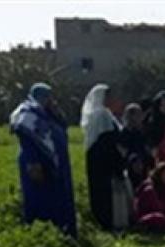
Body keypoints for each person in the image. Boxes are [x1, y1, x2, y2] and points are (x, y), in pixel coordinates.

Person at [10, 83, 77, 238]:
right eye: (46, 96)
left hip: (56, 164)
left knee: (60, 199)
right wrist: (34, 164)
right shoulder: (28, 113)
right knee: (41, 200)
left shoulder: (48, 114)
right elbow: (27, 138)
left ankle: (65, 233)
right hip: (38, 164)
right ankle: (41, 236)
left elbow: (62, 127)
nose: (50, 100)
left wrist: (56, 113)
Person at [81, 84, 133, 231]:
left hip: (104, 157)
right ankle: (106, 221)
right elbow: (106, 139)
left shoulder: (107, 115)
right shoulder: (101, 115)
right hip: (102, 159)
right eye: (109, 96)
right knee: (103, 191)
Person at [119, 103, 152, 190]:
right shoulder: (124, 133)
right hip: (131, 170)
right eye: (138, 114)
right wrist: (133, 161)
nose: (141, 117)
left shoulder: (141, 132)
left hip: (143, 168)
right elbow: (123, 152)